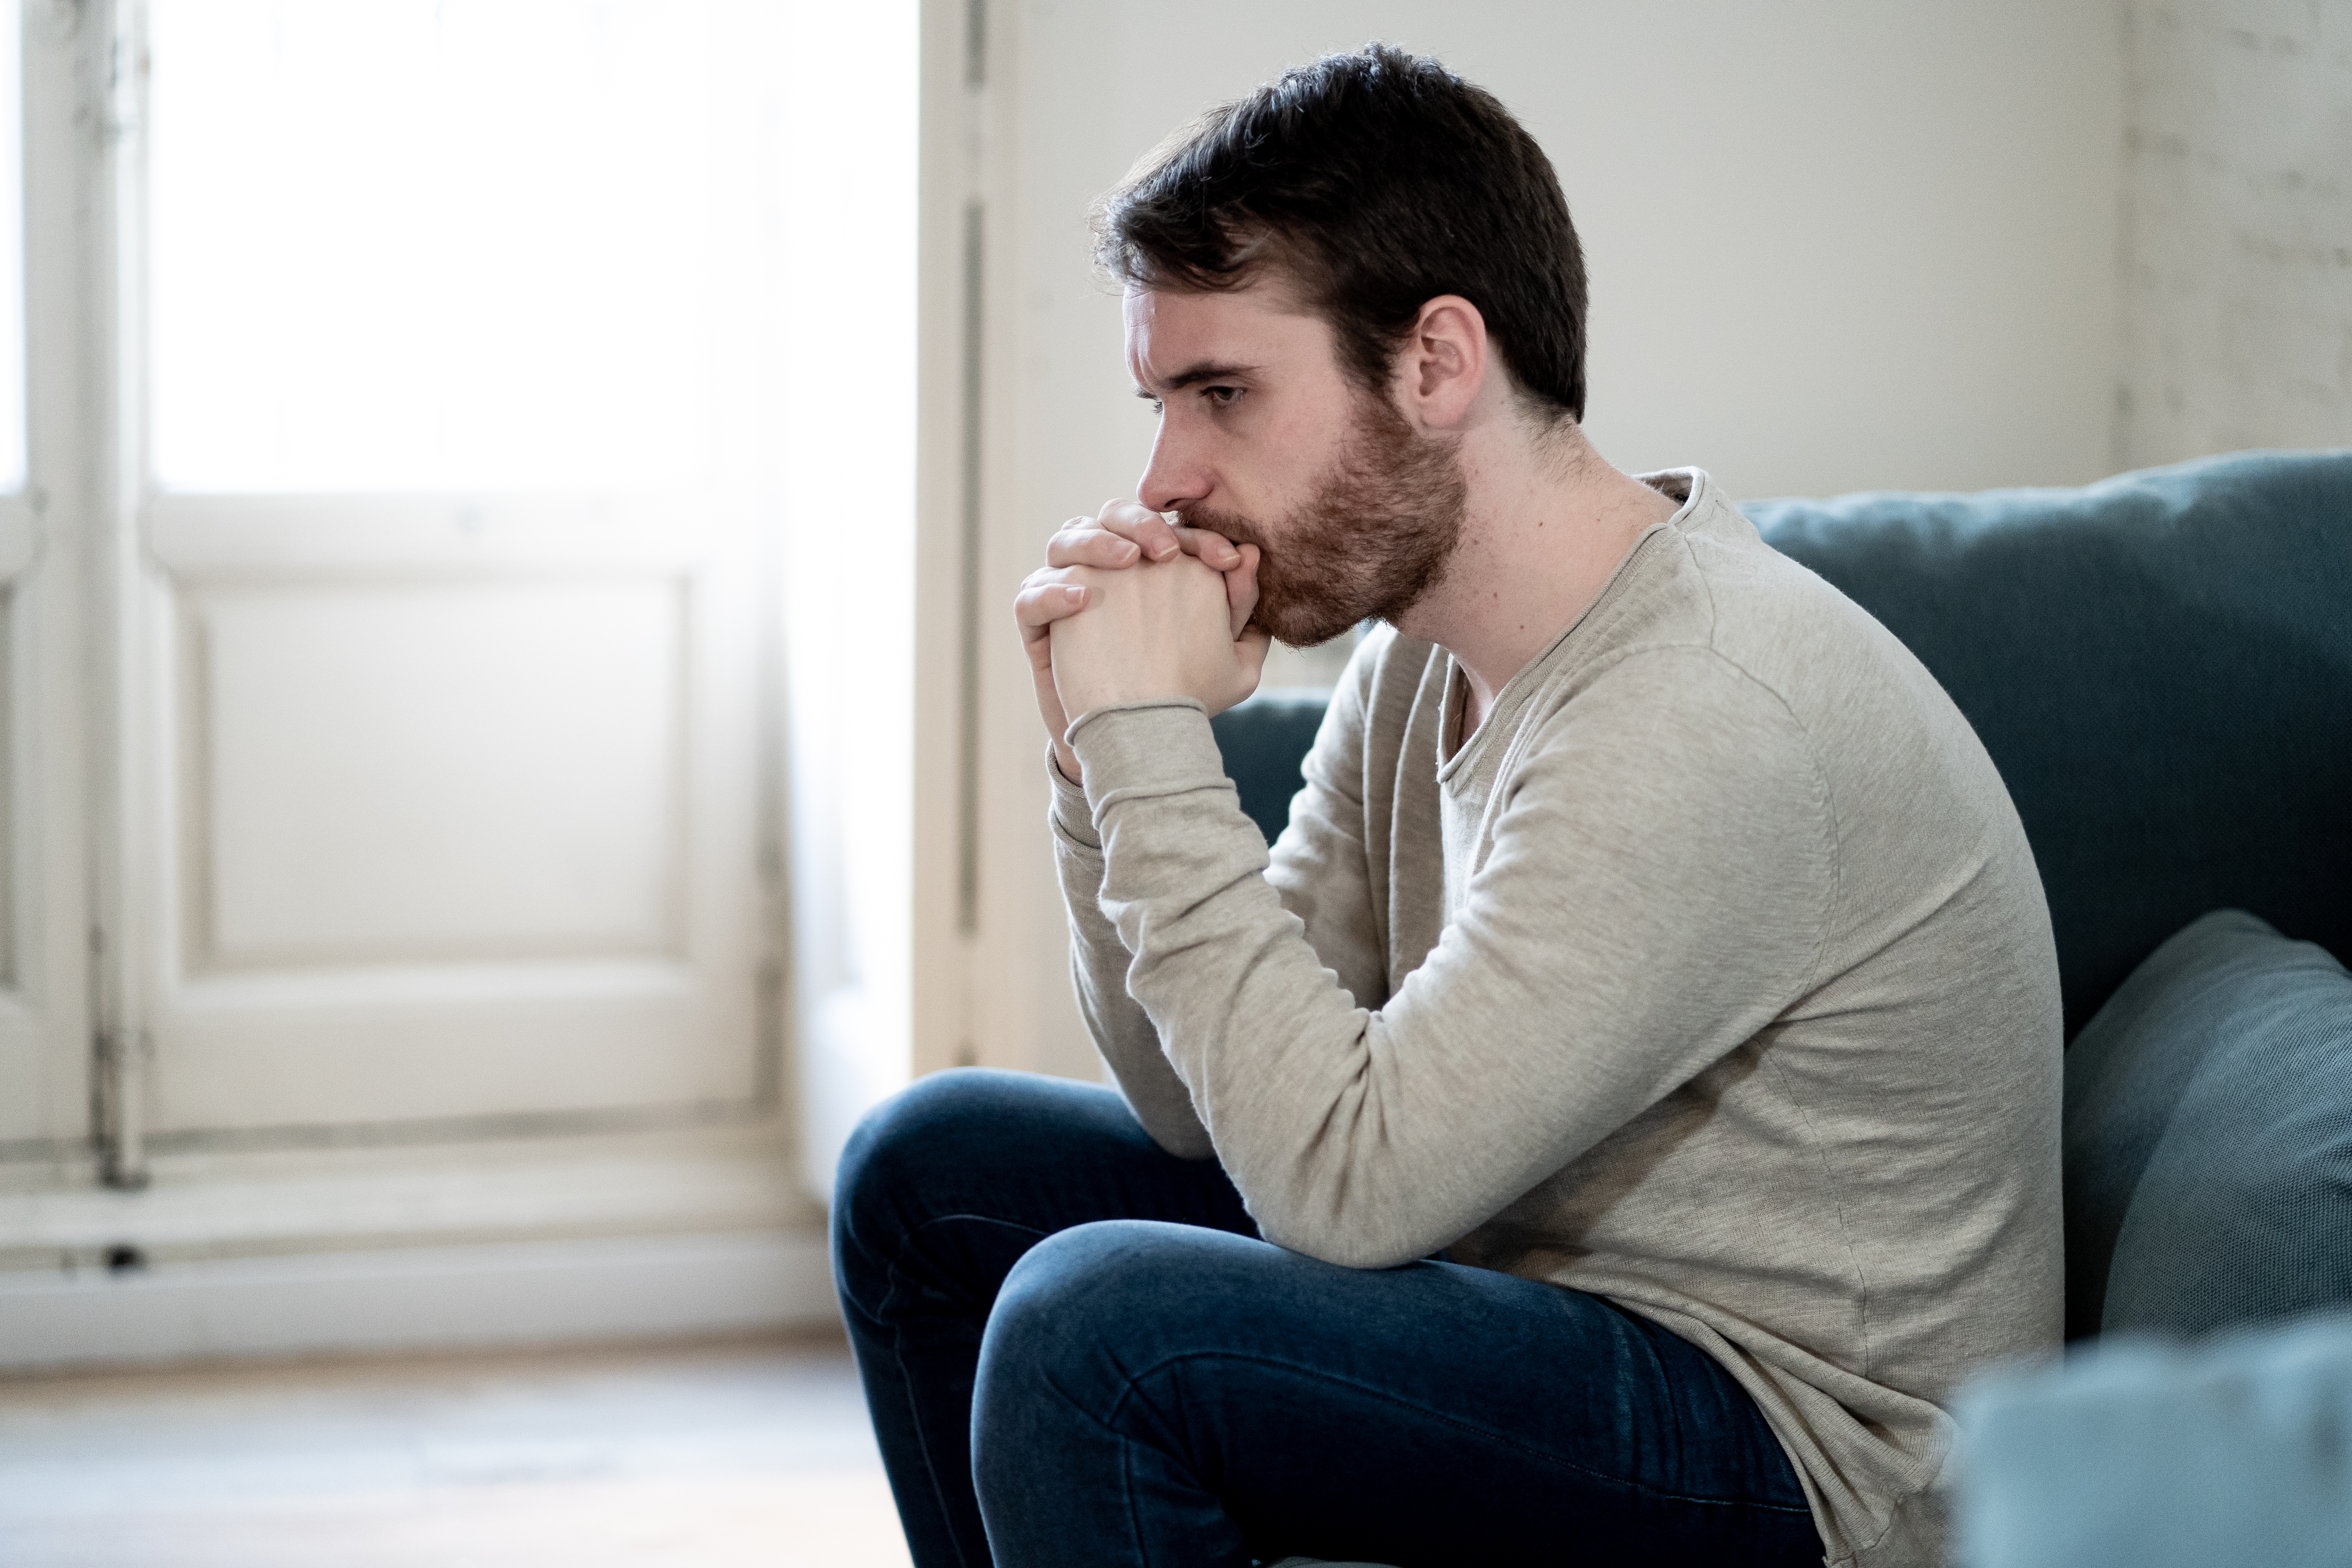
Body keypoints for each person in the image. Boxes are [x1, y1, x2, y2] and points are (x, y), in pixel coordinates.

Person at [833, 43, 2062, 1568]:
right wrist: (1097, 760)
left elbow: (1344, 1186)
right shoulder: (1424, 661)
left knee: (1101, 1327)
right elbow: (1193, 1098)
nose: (1165, 483)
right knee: (927, 1176)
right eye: (1161, 402)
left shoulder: (1705, 705)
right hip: (1547, 1294)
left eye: (1222, 395)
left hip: (1808, 1459)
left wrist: (1150, 735)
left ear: (1433, 362)